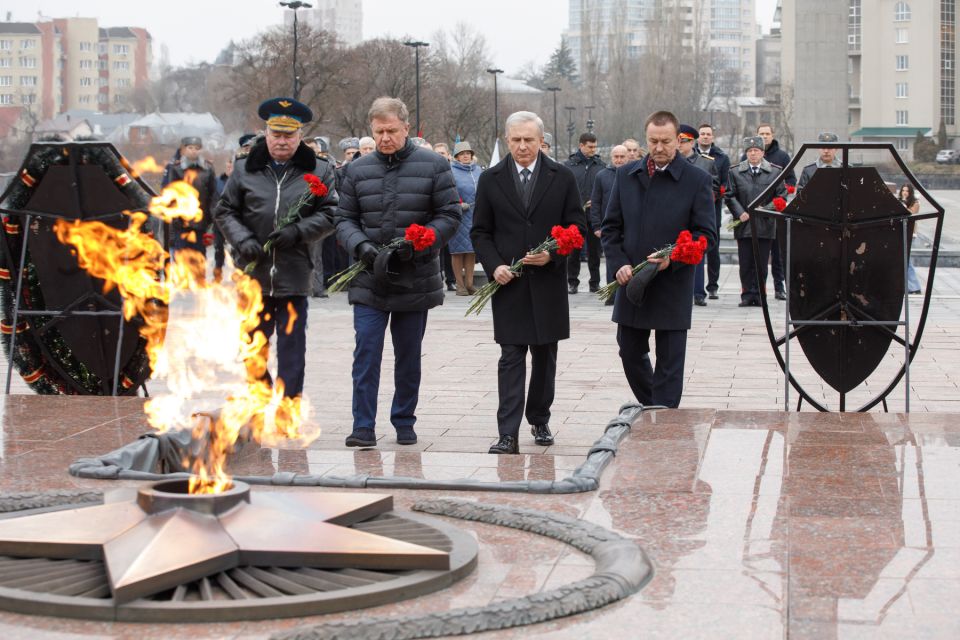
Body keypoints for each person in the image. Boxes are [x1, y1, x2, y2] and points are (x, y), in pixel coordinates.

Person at [335, 97, 461, 448]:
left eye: (392, 130)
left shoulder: (434, 166)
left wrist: (421, 241)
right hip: (368, 276)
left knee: (408, 354)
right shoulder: (357, 170)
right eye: (379, 132)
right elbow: (343, 218)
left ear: (406, 127)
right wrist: (360, 246)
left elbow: (450, 214)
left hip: (414, 276)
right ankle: (363, 425)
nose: (385, 138)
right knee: (367, 350)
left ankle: (404, 418)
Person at [471, 111, 585, 454]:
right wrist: (494, 266)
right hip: (509, 285)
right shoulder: (490, 179)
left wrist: (553, 256)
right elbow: (480, 231)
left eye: (529, 140)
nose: (522, 146)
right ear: (507, 140)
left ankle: (539, 416)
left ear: (541, 141)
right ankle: (507, 432)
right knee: (510, 356)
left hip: (548, 284)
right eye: (516, 140)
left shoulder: (561, 177)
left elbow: (576, 227)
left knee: (545, 356)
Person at [215, 97, 339, 400]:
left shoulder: (319, 171)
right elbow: (225, 211)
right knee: (253, 340)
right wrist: (242, 240)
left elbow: (331, 214)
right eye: (276, 134)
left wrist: (297, 231)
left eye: (289, 135)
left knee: (291, 343)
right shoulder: (245, 170)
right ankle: (259, 395)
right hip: (252, 270)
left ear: (299, 137)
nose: (282, 141)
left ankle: (289, 403)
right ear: (266, 134)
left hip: (294, 270)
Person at [601, 110, 716, 409]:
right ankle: (655, 407)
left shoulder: (697, 179)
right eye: (653, 141)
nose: (659, 147)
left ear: (678, 140)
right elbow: (611, 228)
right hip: (632, 282)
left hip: (672, 284)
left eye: (665, 141)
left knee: (670, 361)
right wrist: (618, 264)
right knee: (628, 350)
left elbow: (706, 235)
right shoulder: (626, 175)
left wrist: (672, 258)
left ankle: (663, 418)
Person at [726, 135, 788, 308]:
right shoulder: (735, 171)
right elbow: (729, 195)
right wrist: (740, 213)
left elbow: (781, 196)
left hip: (765, 224)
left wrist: (765, 210)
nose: (753, 154)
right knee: (745, 262)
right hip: (744, 224)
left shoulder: (775, 172)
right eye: (750, 151)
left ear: (762, 152)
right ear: (746, 153)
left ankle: (760, 295)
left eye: (756, 150)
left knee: (761, 263)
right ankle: (747, 294)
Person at [751, 123, 795, 300]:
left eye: (767, 133)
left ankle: (779, 287)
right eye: (761, 133)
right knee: (757, 255)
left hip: (775, 212)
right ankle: (756, 289)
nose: (764, 136)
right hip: (755, 211)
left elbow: (791, 180)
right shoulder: (749, 153)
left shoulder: (782, 157)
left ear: (773, 135)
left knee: (778, 254)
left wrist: (781, 197)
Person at [678, 124, 719, 306]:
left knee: (697, 251)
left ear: (691, 142)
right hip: (677, 213)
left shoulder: (706, 162)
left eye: (683, 141)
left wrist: (707, 198)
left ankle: (698, 292)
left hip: (697, 213)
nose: (680, 145)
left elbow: (715, 185)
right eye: (677, 140)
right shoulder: (672, 161)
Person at [161, 136, 218, 261]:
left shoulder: (207, 169)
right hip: (181, 223)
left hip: (202, 221)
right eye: (190, 147)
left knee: (199, 257)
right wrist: (175, 218)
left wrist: (212, 219)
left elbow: (213, 195)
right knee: (181, 256)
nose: (193, 151)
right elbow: (171, 194)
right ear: (184, 149)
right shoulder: (176, 168)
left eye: (196, 148)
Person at [564, 132, 604, 294]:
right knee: (573, 251)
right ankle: (572, 282)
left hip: (594, 215)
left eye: (595, 146)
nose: (593, 149)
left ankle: (594, 283)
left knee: (595, 252)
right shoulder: (569, 166)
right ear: (581, 146)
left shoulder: (600, 165)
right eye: (590, 147)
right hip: (575, 215)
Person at [590, 144, 629, 304]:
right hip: (609, 226)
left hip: (628, 225)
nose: (619, 160)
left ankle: (626, 292)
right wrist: (597, 225)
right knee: (611, 259)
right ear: (611, 158)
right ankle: (612, 294)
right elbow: (596, 201)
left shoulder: (632, 174)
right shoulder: (601, 176)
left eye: (622, 157)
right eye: (616, 157)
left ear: (627, 157)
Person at [696, 124, 731, 300]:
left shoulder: (722, 157)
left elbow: (724, 183)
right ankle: (696, 286)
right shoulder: (691, 155)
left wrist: (714, 195)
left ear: (713, 137)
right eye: (702, 134)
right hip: (695, 208)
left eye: (708, 134)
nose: (705, 137)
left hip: (713, 208)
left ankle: (713, 285)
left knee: (713, 247)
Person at [449, 141, 482, 295]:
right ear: (456, 157)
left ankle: (469, 284)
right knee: (457, 251)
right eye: (462, 154)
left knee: (471, 250)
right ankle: (460, 285)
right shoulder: (451, 171)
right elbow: (448, 192)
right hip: (459, 215)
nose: (466, 155)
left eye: (468, 153)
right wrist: (458, 205)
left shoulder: (478, 170)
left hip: (476, 214)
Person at [212, 156, 233, 282]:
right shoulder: (217, 181)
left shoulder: (240, 181)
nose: (230, 168)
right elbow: (212, 200)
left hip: (235, 220)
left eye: (232, 166)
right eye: (229, 165)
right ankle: (218, 273)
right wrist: (214, 214)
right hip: (219, 220)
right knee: (218, 247)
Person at [898, 182, 922, 294]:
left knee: (907, 260)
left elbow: (910, 214)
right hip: (901, 232)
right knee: (903, 260)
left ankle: (914, 286)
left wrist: (902, 204)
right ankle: (910, 286)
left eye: (907, 191)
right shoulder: (900, 201)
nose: (905, 193)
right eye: (903, 190)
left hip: (911, 234)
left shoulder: (915, 203)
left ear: (910, 192)